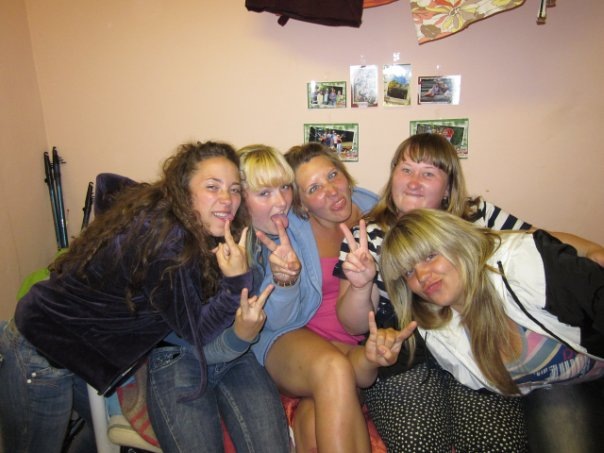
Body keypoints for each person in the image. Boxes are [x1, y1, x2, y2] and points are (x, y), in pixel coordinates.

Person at [0, 141, 289, 453]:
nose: (227, 199)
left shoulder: (174, 217)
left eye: (234, 189)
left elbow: (108, 183)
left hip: (75, 351)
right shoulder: (168, 241)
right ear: (183, 189)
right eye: (212, 186)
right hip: (41, 351)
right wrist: (236, 283)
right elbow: (198, 332)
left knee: (95, 437)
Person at [335, 133, 604, 452]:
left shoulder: (480, 219)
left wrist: (591, 250)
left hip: (480, 344)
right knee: (418, 442)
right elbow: (354, 327)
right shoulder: (364, 236)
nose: (414, 182)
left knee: (494, 442)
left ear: (448, 187)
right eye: (406, 170)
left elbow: (535, 242)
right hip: (410, 350)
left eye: (428, 173)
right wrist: (361, 283)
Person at [238, 143, 413, 453]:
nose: (331, 191)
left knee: (313, 421)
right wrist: (286, 279)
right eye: (314, 188)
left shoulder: (374, 211)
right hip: (291, 337)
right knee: (334, 368)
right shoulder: (287, 231)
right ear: (301, 203)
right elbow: (276, 318)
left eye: (333, 175)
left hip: (348, 346)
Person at [379, 208, 604, 450]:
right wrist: (374, 354)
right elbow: (372, 367)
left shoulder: (524, 264)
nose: (422, 275)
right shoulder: (428, 326)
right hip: (557, 390)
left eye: (430, 256)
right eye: (408, 272)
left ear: (457, 242)